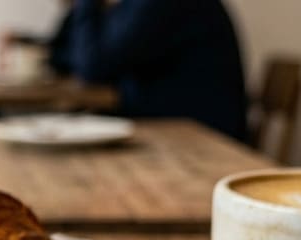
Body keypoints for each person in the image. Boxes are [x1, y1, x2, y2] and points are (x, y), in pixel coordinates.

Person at [47, 0, 248, 142]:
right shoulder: (131, 6)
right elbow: (66, 56)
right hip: (166, 131)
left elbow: (93, 67)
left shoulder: (159, 4)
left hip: (199, 141)